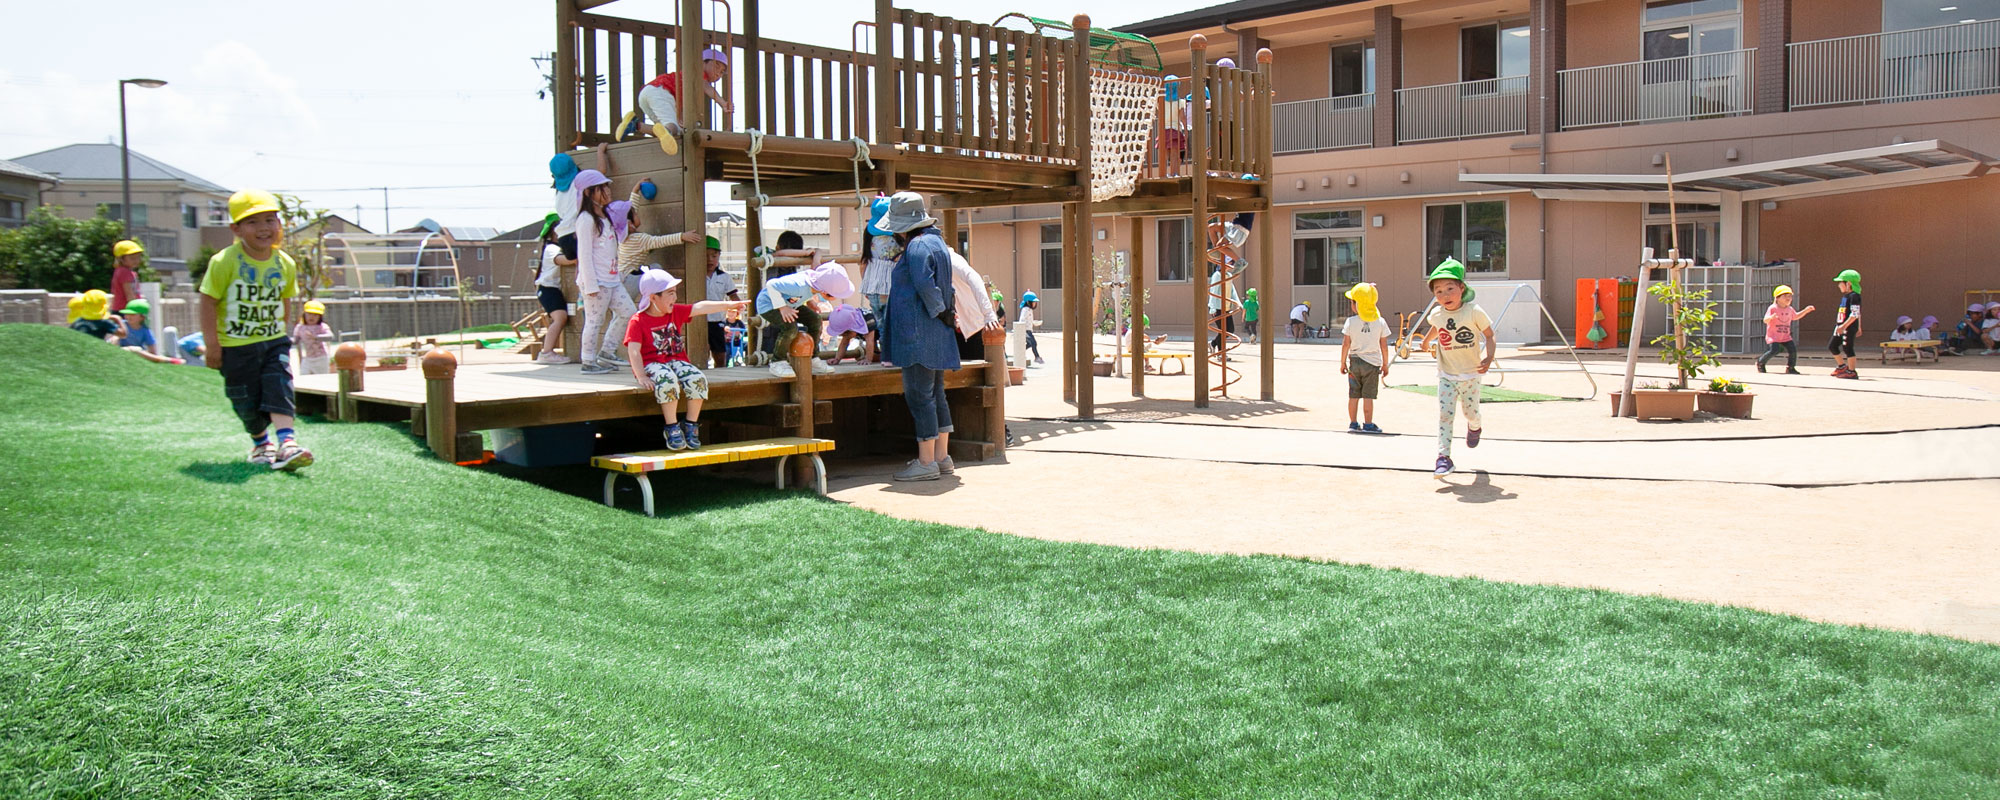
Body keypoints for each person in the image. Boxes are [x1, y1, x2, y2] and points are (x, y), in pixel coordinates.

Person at [200, 189, 311, 470]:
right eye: (253, 222)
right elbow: (208, 301)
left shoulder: (285, 263)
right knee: (244, 399)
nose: (263, 228)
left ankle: (287, 444)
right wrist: (212, 346)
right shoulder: (224, 261)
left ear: (279, 224)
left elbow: (285, 300)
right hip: (236, 346)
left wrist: (282, 333)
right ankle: (261, 443)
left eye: (270, 220)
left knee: (279, 385)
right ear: (236, 229)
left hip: (273, 341)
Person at [877, 191, 961, 482]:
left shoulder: (916, 246)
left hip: (917, 333)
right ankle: (941, 457)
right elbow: (944, 287)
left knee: (919, 395)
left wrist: (939, 310)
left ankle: (926, 462)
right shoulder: (937, 242)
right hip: (937, 333)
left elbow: (925, 287)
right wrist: (946, 314)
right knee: (936, 393)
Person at [624, 268, 747, 451]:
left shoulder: (675, 312)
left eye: (675, 292)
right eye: (670, 293)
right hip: (653, 363)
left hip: (675, 360)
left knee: (698, 378)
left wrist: (727, 305)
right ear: (653, 298)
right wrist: (641, 375)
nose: (675, 297)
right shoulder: (638, 320)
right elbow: (634, 350)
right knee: (667, 380)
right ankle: (671, 426)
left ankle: (690, 424)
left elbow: (700, 307)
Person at [1421, 258, 1494, 478]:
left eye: (1450, 288)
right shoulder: (1437, 314)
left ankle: (1475, 426)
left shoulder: (1474, 312)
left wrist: (1489, 357)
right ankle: (1443, 458)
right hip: (1446, 375)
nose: (1445, 295)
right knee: (1445, 415)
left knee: (1470, 412)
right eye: (1439, 291)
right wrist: (1426, 341)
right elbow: (1437, 327)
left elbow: (1489, 335)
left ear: (1462, 288)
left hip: (1471, 374)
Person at [571, 169, 635, 375]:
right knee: (594, 321)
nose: (607, 191)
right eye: (601, 188)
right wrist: (590, 285)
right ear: (588, 192)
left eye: (607, 186)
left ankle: (607, 351)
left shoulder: (605, 217)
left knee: (629, 312)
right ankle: (588, 361)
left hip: (612, 280)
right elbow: (584, 254)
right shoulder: (585, 219)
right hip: (596, 281)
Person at [617, 47, 733, 155]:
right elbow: (707, 88)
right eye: (716, 66)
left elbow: (678, 107)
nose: (718, 73)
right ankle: (668, 137)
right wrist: (723, 103)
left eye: (722, 72)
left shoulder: (688, 81)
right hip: (661, 91)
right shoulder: (697, 73)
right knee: (671, 126)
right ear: (702, 63)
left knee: (669, 130)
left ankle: (635, 125)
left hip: (646, 94)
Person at [755, 262, 855, 378]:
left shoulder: (815, 284)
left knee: (815, 320)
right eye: (834, 295)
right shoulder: (798, 286)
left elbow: (807, 293)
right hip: (769, 305)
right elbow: (771, 284)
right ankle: (777, 361)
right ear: (824, 292)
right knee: (790, 328)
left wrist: (810, 301)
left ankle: (812, 356)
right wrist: (782, 307)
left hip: (791, 304)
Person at [1340, 283, 1390, 434]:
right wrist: (1385, 364)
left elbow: (1346, 344)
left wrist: (1342, 362)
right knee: (1368, 396)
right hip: (1373, 364)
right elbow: (1384, 346)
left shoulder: (1350, 321)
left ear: (1357, 304)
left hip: (1354, 362)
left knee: (1353, 395)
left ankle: (1353, 423)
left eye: (1352, 302)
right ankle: (1368, 424)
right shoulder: (1380, 321)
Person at [530, 213, 575, 364]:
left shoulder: (554, 247)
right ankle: (546, 352)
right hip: (548, 288)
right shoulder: (551, 248)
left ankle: (547, 352)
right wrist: (579, 257)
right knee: (560, 318)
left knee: (561, 318)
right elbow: (562, 260)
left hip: (550, 289)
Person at [948, 250, 1001, 361]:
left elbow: (973, 277)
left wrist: (988, 313)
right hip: (956, 330)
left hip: (975, 328)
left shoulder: (951, 260)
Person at [1756, 285, 1813, 374]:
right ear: (1777, 298)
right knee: (1774, 350)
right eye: (1785, 296)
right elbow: (1765, 320)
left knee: (1793, 351)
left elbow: (1795, 316)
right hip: (1773, 336)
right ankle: (1761, 362)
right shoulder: (1772, 308)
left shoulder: (1790, 309)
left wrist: (1805, 311)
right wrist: (1771, 317)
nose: (1788, 298)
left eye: (1790, 296)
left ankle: (1790, 368)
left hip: (1786, 336)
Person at [702, 235, 740, 368]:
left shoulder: (724, 277)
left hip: (716, 320)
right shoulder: (695, 276)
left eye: (713, 256)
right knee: (701, 353)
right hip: (698, 320)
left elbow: (733, 296)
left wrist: (738, 306)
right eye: (705, 256)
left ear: (719, 256)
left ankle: (721, 374)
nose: (709, 260)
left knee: (720, 354)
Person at [109, 299, 184, 364]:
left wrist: (149, 356)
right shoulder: (122, 325)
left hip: (138, 353)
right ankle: (169, 360)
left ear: (142, 317)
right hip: (122, 350)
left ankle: (169, 360)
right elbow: (114, 339)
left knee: (137, 350)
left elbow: (152, 349)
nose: (128, 316)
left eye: (132, 314)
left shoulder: (145, 330)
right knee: (134, 349)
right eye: (127, 314)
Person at [1829, 269, 1863, 379]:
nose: (1839, 285)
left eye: (1840, 282)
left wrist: (1845, 326)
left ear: (1848, 284)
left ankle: (1852, 371)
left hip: (1848, 327)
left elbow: (1855, 314)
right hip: (1840, 326)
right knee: (1832, 346)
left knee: (1848, 348)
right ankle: (1842, 366)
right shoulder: (1846, 296)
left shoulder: (1854, 296)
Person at [549, 153, 583, 261]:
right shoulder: (580, 182)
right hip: (576, 233)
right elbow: (601, 172)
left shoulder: (559, 193)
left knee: (579, 264)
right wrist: (601, 152)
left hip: (563, 236)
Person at [292, 300, 334, 375]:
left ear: (320, 317)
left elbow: (330, 336)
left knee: (322, 378)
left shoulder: (322, 326)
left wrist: (316, 337)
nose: (312, 317)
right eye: (309, 314)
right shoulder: (300, 327)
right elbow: (295, 340)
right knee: (304, 376)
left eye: (315, 315)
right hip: (308, 358)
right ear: (304, 314)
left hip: (321, 358)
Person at [109, 239, 143, 314]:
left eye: (138, 257)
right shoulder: (124, 272)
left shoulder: (127, 272)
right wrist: (136, 310)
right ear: (121, 259)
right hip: (125, 310)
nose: (136, 261)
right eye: (132, 258)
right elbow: (129, 294)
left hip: (124, 309)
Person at [1017, 291, 1044, 366]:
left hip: (1028, 330)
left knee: (1029, 344)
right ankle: (1037, 357)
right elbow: (1022, 320)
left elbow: (1029, 320)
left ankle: (1020, 353)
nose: (1035, 304)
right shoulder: (1025, 309)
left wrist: (1035, 323)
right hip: (1025, 330)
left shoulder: (1029, 310)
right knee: (1033, 343)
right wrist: (1021, 329)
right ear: (1028, 302)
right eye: (1033, 302)